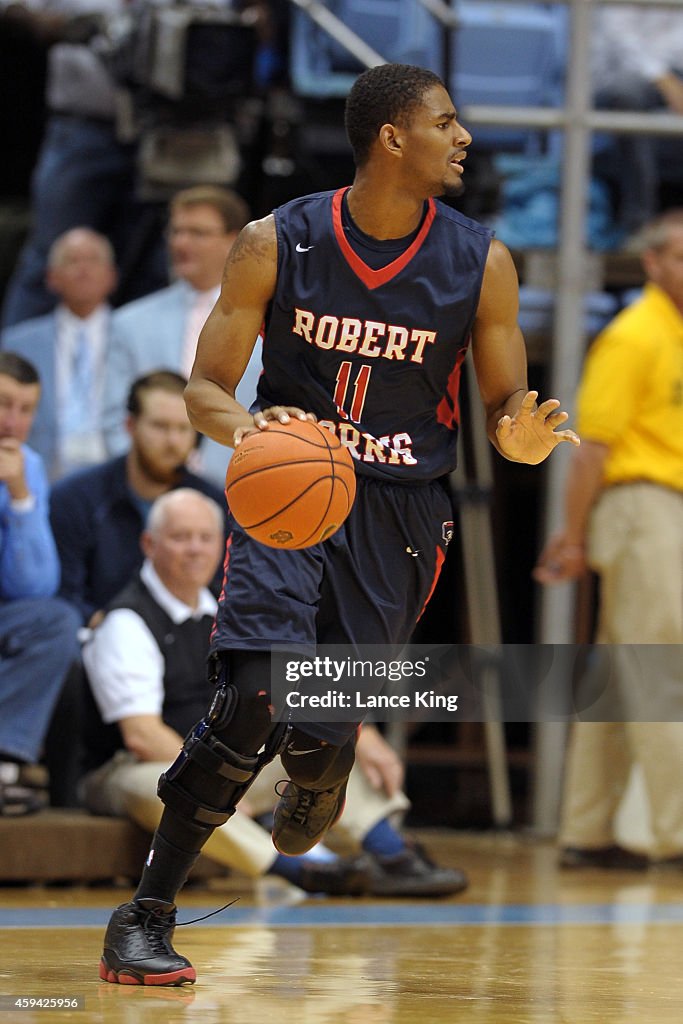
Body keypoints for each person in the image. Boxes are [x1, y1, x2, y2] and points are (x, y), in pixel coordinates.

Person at [100, 62, 579, 986]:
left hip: (399, 515)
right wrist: (253, 431)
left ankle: (326, 762)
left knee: (323, 724)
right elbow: (205, 388)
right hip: (289, 497)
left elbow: (505, 408)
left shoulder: (480, 261)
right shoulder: (275, 241)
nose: (464, 138)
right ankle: (145, 916)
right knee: (246, 708)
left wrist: (518, 441)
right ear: (393, 138)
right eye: (446, 122)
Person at [82, 489, 467, 900]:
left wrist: (361, 737)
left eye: (205, 537)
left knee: (326, 752)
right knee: (159, 787)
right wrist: (216, 780)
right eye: (181, 537)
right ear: (149, 544)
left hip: (226, 755)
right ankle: (302, 871)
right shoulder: (126, 621)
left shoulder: (231, 610)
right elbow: (141, 735)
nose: (195, 549)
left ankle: (393, 858)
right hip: (128, 768)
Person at [534, 208, 683, 870]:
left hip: (665, 509)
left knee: (621, 676)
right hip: (639, 505)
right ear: (652, 263)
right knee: (663, 668)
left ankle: (586, 832)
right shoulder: (633, 335)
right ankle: (676, 832)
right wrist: (569, 534)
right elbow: (589, 449)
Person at [100, 185, 259, 486]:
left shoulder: (269, 324)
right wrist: (147, 479)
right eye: (175, 232)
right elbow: (113, 419)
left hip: (241, 488)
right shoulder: (129, 323)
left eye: (197, 233)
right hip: (149, 490)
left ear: (234, 241)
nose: (181, 243)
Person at [50, 369, 227, 625]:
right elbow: (64, 594)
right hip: (99, 639)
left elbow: (227, 590)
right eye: (160, 426)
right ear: (130, 426)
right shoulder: (75, 499)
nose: (173, 440)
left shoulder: (214, 505)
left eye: (183, 429)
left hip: (192, 640)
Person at [0, 351, 81, 815]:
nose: (14, 421)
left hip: (9, 612)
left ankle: (6, 766)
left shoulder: (26, 466)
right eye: (4, 404)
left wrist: (20, 497)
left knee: (57, 624)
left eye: (26, 409)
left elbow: (36, 586)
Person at [1, 227, 118, 479]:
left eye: (92, 260)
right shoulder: (17, 342)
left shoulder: (133, 333)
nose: (83, 270)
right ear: (51, 277)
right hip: (38, 471)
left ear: (111, 276)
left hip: (115, 472)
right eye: (72, 260)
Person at [591, 7, 683, 237]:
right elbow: (619, 39)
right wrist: (661, 77)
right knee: (627, 96)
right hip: (620, 76)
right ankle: (639, 221)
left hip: (674, 71)